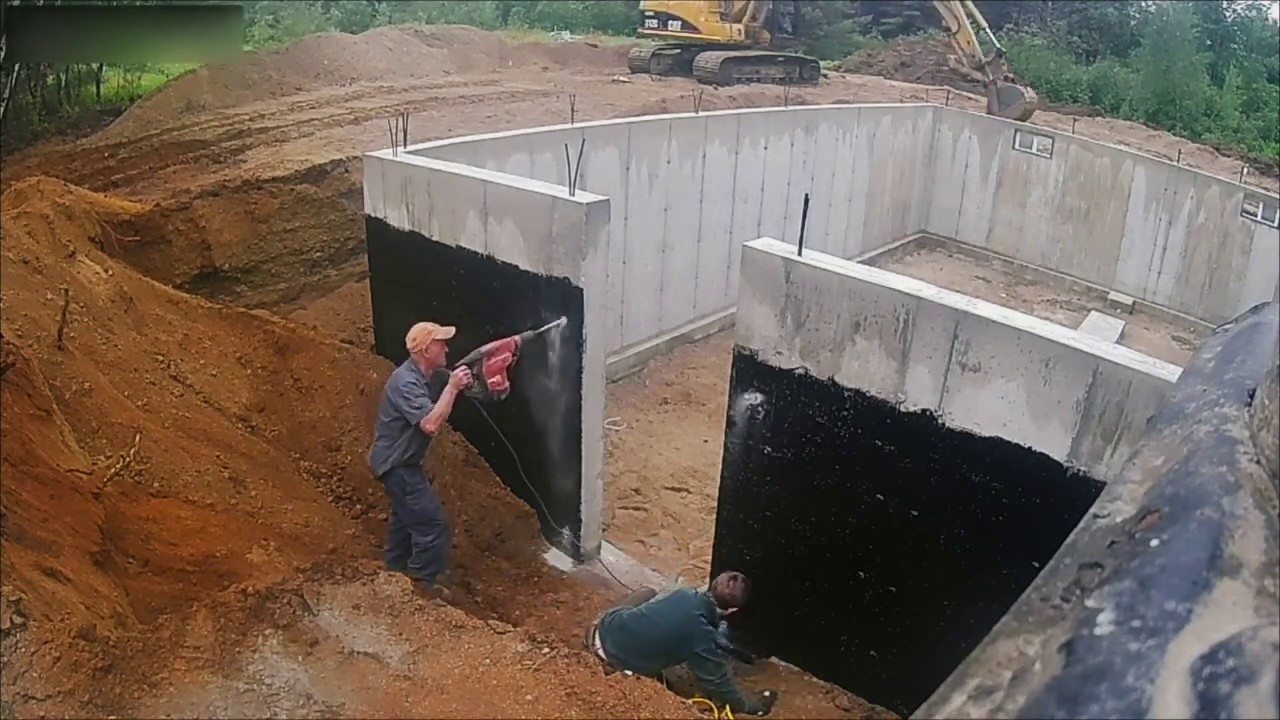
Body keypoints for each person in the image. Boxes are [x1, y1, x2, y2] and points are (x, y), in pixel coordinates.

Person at [368, 321, 473, 599]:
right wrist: (452, 388)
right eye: (441, 344)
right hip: (396, 466)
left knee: (405, 522)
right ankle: (421, 586)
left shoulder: (425, 376)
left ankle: (393, 571)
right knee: (431, 525)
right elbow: (429, 423)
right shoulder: (405, 382)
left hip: (401, 464)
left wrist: (459, 383)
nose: (446, 348)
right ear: (426, 350)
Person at [586, 571, 779, 716]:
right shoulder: (703, 638)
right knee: (666, 682)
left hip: (601, 628)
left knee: (647, 593)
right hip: (617, 662)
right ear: (732, 610)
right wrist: (751, 706)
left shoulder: (683, 594)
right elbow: (719, 682)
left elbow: (676, 619)